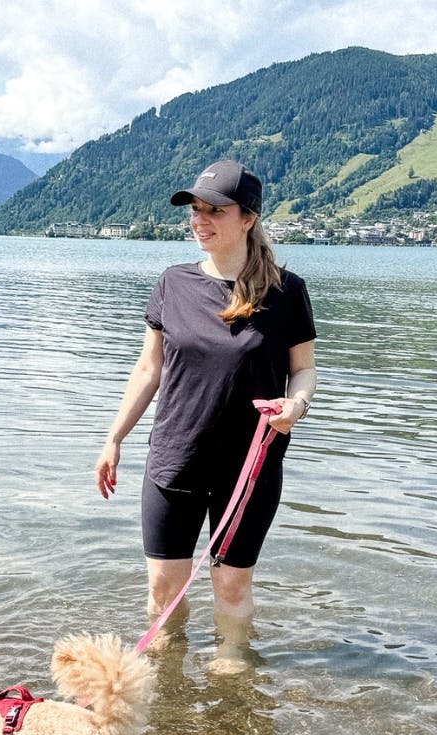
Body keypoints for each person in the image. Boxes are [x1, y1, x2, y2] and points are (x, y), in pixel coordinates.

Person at [95, 160, 317, 668]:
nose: (200, 220)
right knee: (162, 586)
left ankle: (233, 660)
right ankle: (165, 669)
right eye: (195, 210)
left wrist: (296, 405)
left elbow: (303, 370)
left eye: (215, 210)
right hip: (175, 456)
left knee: (231, 584)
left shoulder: (286, 292)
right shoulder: (173, 283)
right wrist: (114, 438)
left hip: (250, 467)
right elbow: (148, 369)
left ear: (248, 218)